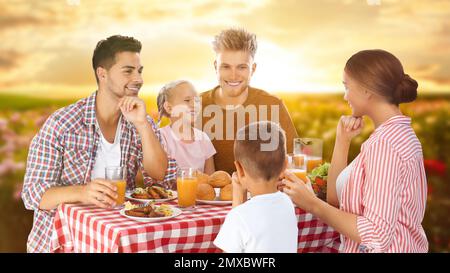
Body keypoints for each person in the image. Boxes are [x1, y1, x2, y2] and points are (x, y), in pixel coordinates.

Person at [21, 35, 176, 253]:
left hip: (114, 237)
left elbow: (160, 175)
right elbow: (33, 193)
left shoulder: (140, 120)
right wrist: (83, 193)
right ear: (102, 74)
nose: (138, 78)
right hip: (64, 241)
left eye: (139, 71)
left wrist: (142, 125)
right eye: (128, 71)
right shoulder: (62, 124)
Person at [282, 49, 428, 253]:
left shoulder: (386, 145)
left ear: (367, 90)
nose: (344, 95)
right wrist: (342, 141)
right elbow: (336, 201)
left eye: (346, 86)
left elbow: (376, 235)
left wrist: (311, 204)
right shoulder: (394, 135)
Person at [199, 28, 298, 174]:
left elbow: (294, 160)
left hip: (260, 196)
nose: (233, 76)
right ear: (216, 67)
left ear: (253, 69)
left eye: (241, 67)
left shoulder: (272, 106)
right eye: (226, 67)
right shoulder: (195, 106)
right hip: (204, 196)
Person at [214, 121, 298, 253]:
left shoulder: (239, 216)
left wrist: (237, 198)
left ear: (239, 169)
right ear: (285, 165)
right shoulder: (287, 203)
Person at [157, 80, 216, 175]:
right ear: (169, 108)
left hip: (198, 189)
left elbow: (211, 180)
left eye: (197, 100)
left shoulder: (203, 138)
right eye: (187, 100)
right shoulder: (161, 137)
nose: (194, 105)